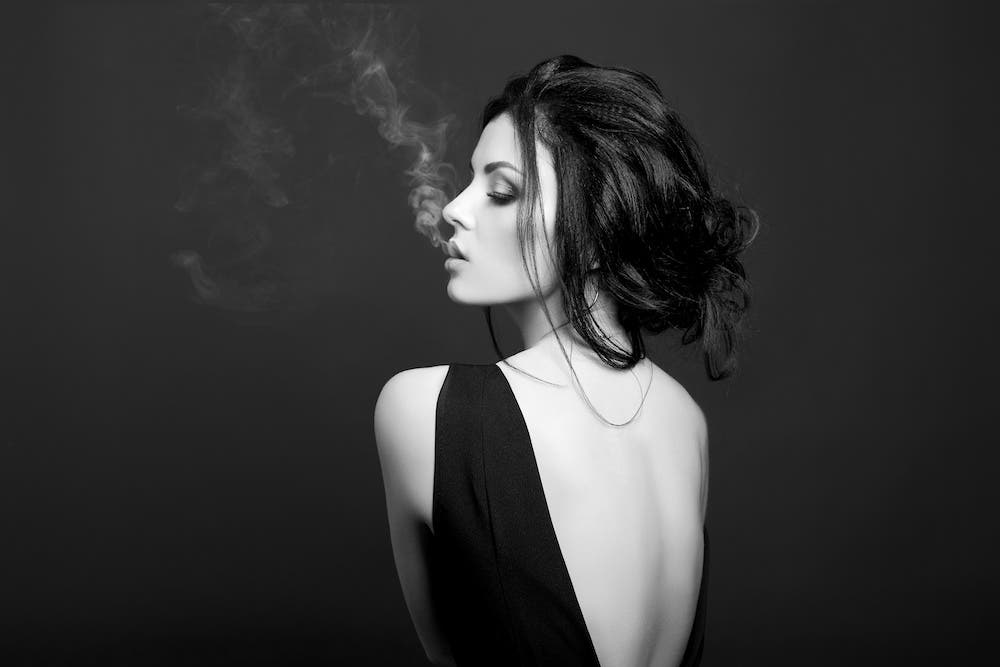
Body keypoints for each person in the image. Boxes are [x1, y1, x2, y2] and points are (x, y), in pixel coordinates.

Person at [373, 54, 758, 667]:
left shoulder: (425, 410)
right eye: (472, 182)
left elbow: (454, 655)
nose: (455, 209)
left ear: (600, 229)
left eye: (501, 192)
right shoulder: (686, 421)